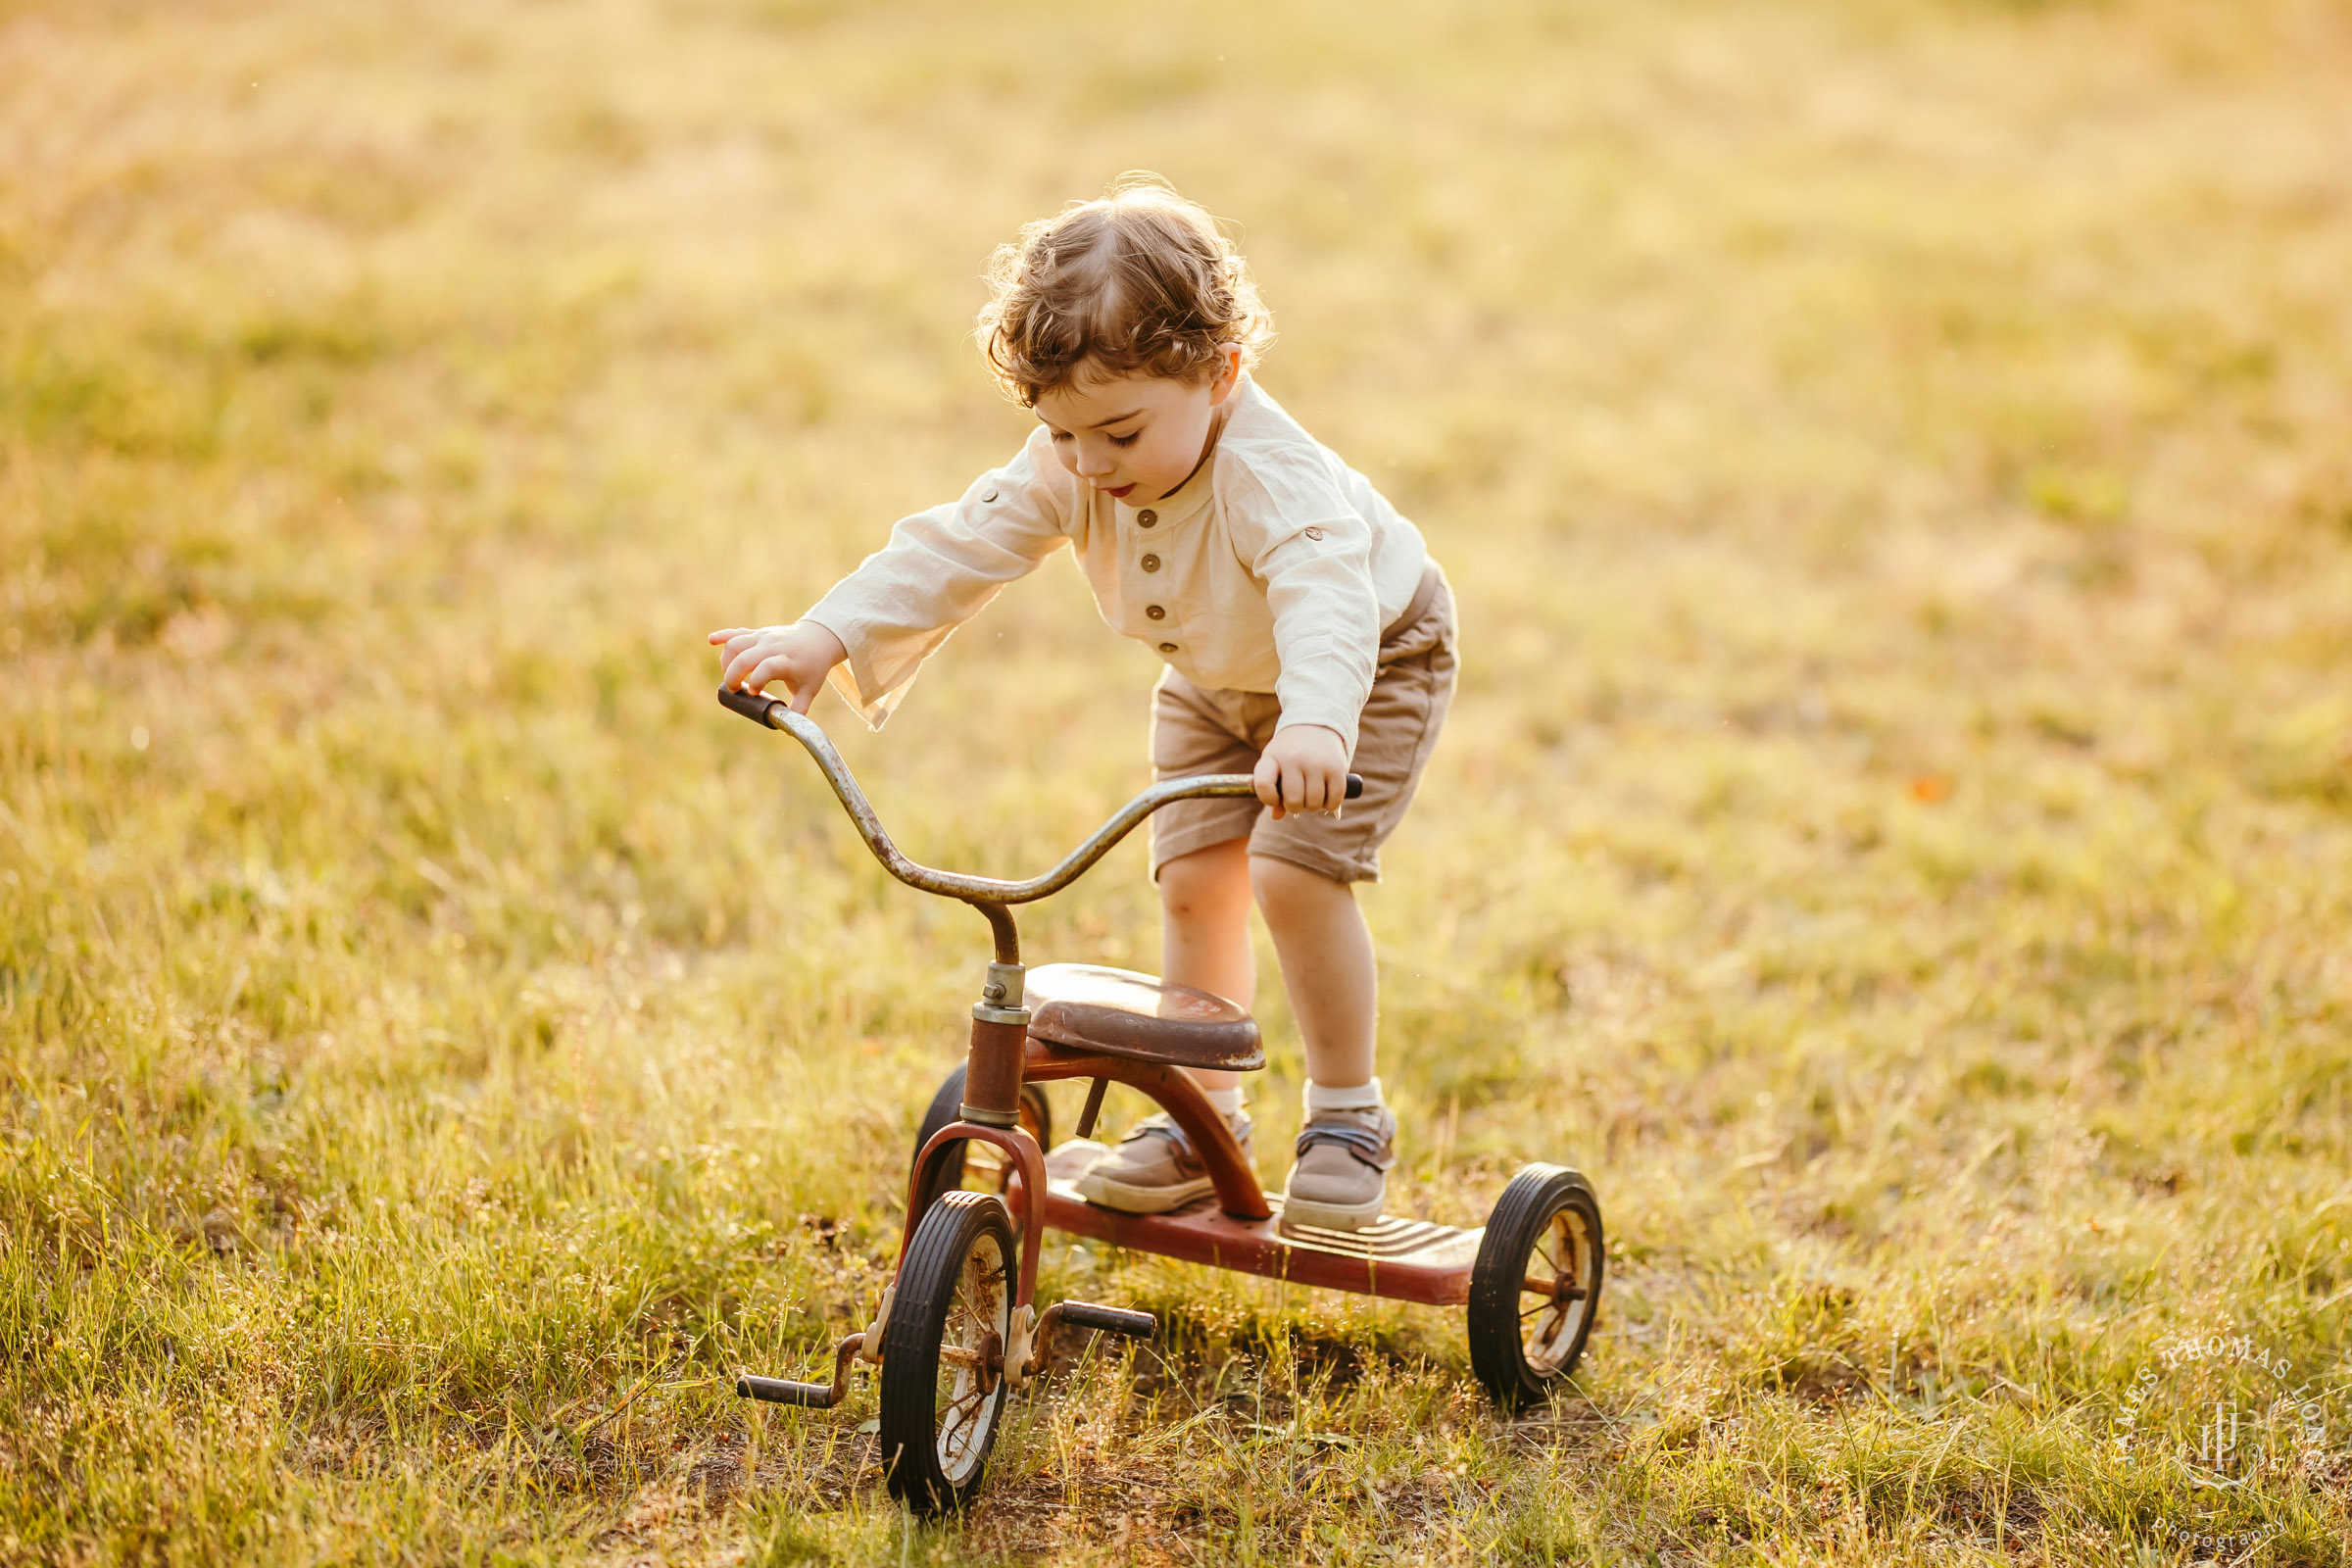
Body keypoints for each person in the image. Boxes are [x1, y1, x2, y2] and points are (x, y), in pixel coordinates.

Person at [710, 174, 1454, 1232]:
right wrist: (824, 634)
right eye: (1065, 436)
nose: (1090, 464)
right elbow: (958, 545)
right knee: (1195, 882)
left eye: (1119, 433)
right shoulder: (1074, 458)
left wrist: (1320, 723)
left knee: (1293, 873)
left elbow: (1325, 595)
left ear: (1223, 374)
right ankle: (1206, 1119)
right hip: (1215, 678)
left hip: (1369, 665)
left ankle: (1346, 1117)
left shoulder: (1272, 477)